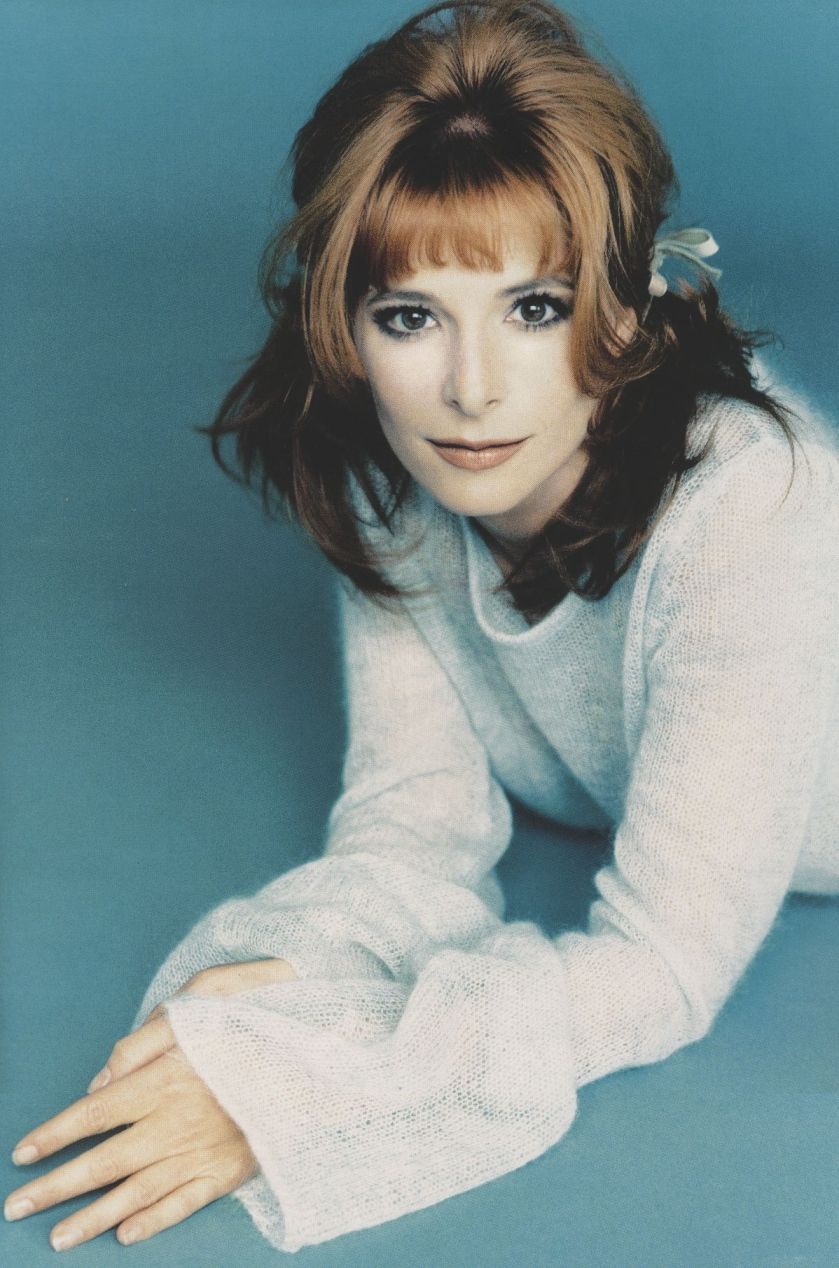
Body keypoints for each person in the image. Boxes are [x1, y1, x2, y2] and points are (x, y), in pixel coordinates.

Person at [5, 0, 838, 1255]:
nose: (469, 387)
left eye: (533, 307)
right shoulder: (397, 476)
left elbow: (662, 967)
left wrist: (309, 1083)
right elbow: (415, 823)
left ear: (624, 309)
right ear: (345, 327)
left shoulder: (748, 506)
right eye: (410, 316)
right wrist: (286, 980)